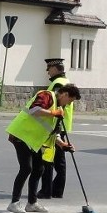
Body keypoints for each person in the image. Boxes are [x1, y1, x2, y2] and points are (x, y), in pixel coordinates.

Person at [5, 84, 81, 213]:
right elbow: (34, 110)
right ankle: (14, 203)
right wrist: (53, 113)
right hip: (21, 134)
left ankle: (32, 203)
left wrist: (63, 144)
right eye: (70, 101)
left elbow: (52, 132)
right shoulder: (47, 95)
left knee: (39, 169)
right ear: (65, 94)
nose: (69, 104)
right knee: (26, 168)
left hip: (33, 141)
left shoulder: (59, 108)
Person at [38, 58, 72, 199]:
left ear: (56, 69)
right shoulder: (66, 81)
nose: (47, 72)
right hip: (61, 125)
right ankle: (56, 190)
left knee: (49, 159)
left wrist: (55, 126)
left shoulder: (58, 84)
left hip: (56, 125)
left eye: (49, 69)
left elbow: (59, 104)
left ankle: (48, 190)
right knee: (59, 160)